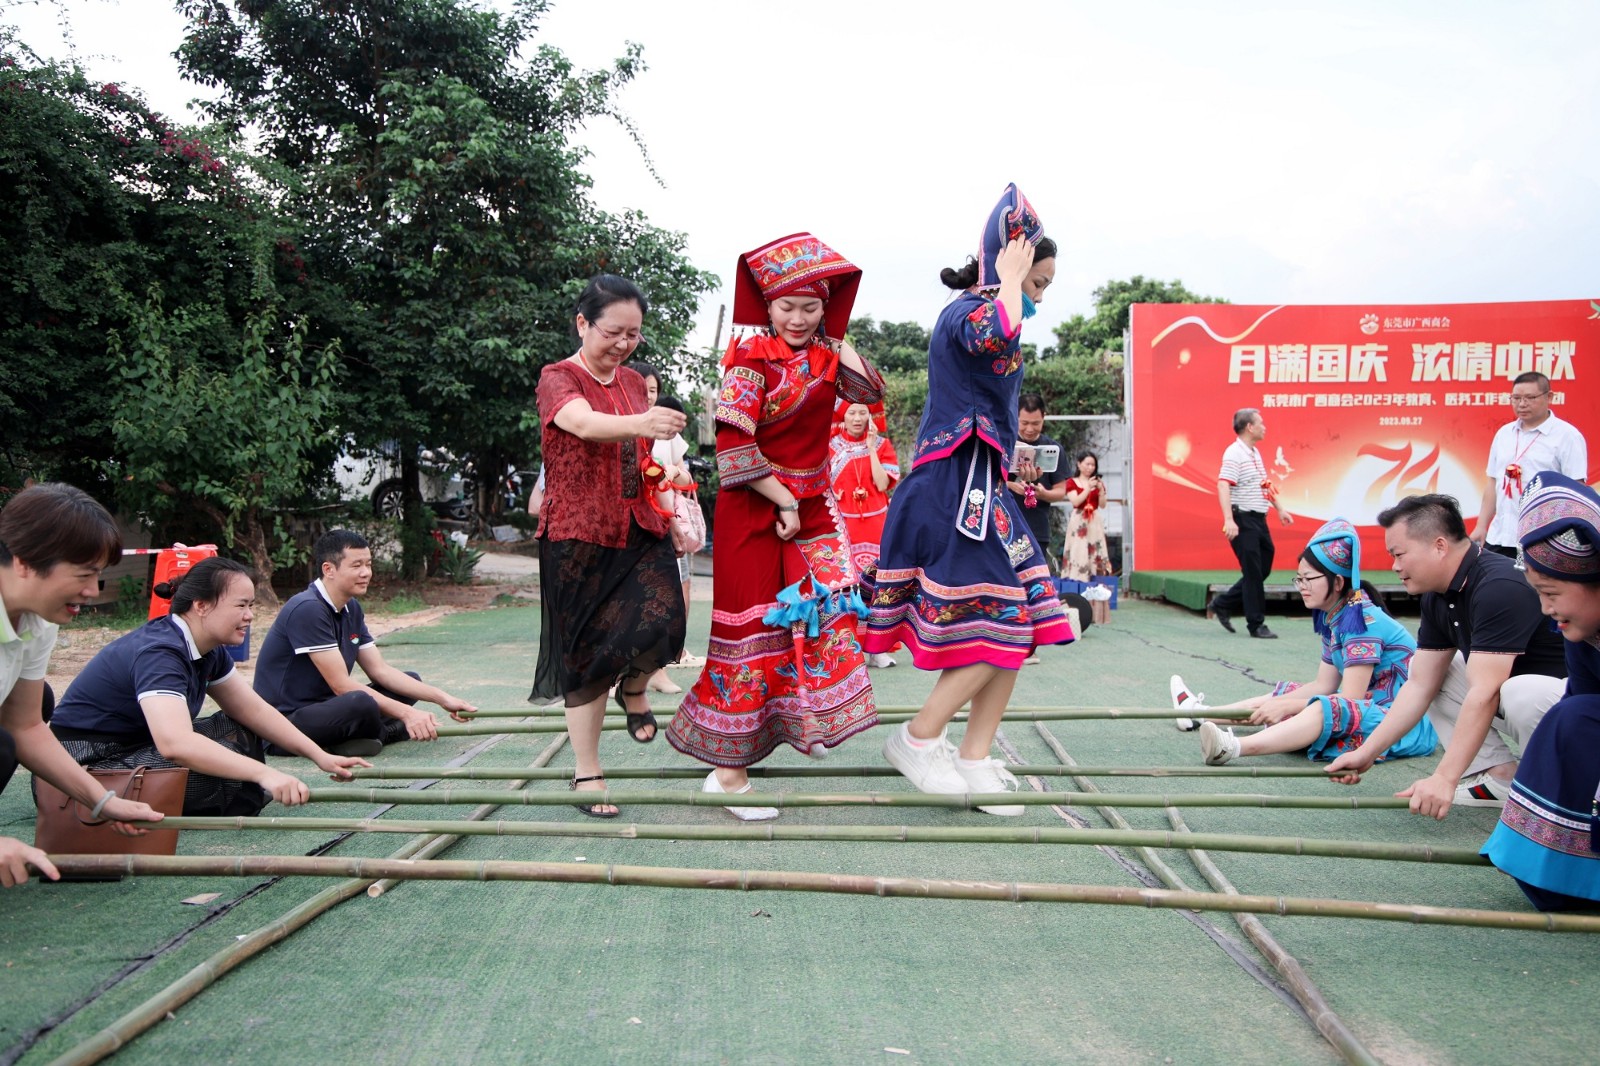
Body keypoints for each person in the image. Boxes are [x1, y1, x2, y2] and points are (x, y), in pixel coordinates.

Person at [862, 183, 1077, 816]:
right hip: (953, 485)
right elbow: (998, 333)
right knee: (1005, 621)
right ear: (1006, 263)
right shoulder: (969, 312)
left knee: (1027, 618)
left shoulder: (992, 307)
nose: (1038, 298)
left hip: (984, 486)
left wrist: (1013, 282)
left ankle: (975, 757)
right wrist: (1010, 279)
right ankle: (917, 737)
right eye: (1038, 283)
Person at [668, 232, 882, 820]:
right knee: (753, 634)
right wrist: (784, 500)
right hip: (755, 506)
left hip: (808, 505)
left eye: (810, 305)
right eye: (786, 305)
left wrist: (837, 327)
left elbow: (871, 390)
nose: (797, 317)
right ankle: (728, 774)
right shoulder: (749, 358)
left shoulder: (824, 355)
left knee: (825, 615)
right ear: (766, 306)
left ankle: (798, 722)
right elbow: (734, 449)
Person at [532, 274, 688, 817]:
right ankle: (587, 772)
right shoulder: (558, 378)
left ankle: (637, 688)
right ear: (583, 323)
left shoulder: (630, 383)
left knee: (668, 622)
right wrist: (642, 420)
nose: (623, 343)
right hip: (578, 535)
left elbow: (643, 458)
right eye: (613, 332)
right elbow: (584, 423)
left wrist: (670, 500)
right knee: (587, 659)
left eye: (634, 335)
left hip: (639, 524)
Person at [51, 557, 369, 817]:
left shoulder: (209, 649)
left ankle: (233, 796)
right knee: (227, 767)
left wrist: (320, 755)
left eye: (251, 606)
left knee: (241, 732)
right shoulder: (161, 651)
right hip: (87, 766)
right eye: (241, 606)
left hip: (136, 748)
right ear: (201, 606)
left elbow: (254, 710)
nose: (249, 617)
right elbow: (175, 744)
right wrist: (263, 774)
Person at [1326, 494, 1567, 817]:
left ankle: (1563, 794)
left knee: (1518, 691)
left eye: (1399, 554)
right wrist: (1368, 751)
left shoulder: (1499, 586)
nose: (1394, 566)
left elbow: (1484, 694)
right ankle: (1498, 778)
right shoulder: (1437, 596)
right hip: (1536, 709)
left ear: (1439, 546)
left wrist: (1444, 778)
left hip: (1576, 708)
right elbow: (1420, 685)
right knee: (1440, 672)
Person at [1169, 518, 1437, 767]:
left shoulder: (1361, 620)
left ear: (1337, 582)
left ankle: (1233, 747)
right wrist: (1282, 701)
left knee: (1323, 707)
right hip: (1372, 710)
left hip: (1400, 723)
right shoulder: (1336, 615)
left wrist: (1287, 706)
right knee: (1288, 696)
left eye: (1309, 579)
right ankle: (1198, 714)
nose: (1302, 586)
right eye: (1299, 579)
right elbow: (1325, 684)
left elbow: (1351, 699)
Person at [0, 484, 163, 887]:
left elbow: (26, 727)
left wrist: (103, 801)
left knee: (28, 714)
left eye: (99, 575)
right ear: (24, 563)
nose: (93, 591)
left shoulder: (38, 620)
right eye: (84, 575)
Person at [1481, 472, 1600, 910]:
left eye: (1551, 593)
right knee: (1570, 718)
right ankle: (1559, 867)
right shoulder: (1585, 635)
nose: (1546, 610)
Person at [253, 530, 478, 757]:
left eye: (368, 565)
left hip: (330, 708)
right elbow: (341, 685)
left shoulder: (352, 608)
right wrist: (406, 714)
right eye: (357, 565)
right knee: (361, 703)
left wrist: (442, 698)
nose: (366, 573)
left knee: (410, 681)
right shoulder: (308, 608)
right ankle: (385, 733)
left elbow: (380, 671)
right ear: (328, 569)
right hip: (284, 725)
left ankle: (357, 737)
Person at [1471, 371, 1588, 558]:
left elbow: (1577, 491)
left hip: (1542, 538)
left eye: (1530, 397)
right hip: (1500, 536)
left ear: (1549, 397)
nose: (1522, 404)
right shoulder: (1504, 434)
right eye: (1516, 398)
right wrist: (1481, 526)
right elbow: (1493, 484)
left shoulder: (1567, 436)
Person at [1211, 407, 1293, 639]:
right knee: (1253, 571)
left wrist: (1279, 508)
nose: (1264, 426)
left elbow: (1264, 484)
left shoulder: (1254, 453)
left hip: (1258, 518)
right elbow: (1223, 484)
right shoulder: (1234, 453)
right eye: (1261, 423)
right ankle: (1256, 624)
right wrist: (1229, 520)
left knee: (1262, 567)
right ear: (1249, 427)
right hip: (1242, 519)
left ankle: (1223, 603)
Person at [829, 399, 900, 667]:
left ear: (871, 417)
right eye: (852, 412)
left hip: (876, 524)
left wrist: (870, 449)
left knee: (878, 585)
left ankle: (876, 648)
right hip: (841, 526)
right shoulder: (830, 447)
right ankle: (846, 645)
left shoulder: (882, 446)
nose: (857, 418)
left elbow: (883, 484)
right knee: (844, 587)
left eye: (863, 412)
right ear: (843, 416)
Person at [643, 392, 699, 693]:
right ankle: (623, 675)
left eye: (653, 389)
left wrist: (673, 472)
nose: (649, 394)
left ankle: (661, 667)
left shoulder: (666, 436)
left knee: (669, 597)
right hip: (634, 527)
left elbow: (673, 478)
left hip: (664, 523)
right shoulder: (624, 427)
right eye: (645, 389)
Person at [1005, 393, 1068, 573]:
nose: (1030, 429)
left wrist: (1043, 494)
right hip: (1005, 528)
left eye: (1036, 423)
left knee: (1034, 581)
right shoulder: (1003, 446)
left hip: (1036, 529)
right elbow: (987, 481)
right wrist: (1011, 486)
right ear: (1014, 417)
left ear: (1044, 418)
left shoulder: (1052, 449)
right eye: (1024, 423)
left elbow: (1060, 491)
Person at [1061, 449, 1113, 583]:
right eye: (1087, 464)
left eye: (1093, 465)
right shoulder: (1072, 482)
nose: (1090, 468)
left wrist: (1101, 491)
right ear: (1079, 464)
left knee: (1096, 548)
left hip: (1094, 520)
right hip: (1079, 519)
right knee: (1078, 549)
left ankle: (1097, 579)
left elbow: (1102, 505)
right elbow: (1076, 501)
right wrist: (1088, 488)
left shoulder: (1098, 483)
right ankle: (1077, 580)